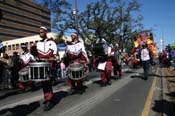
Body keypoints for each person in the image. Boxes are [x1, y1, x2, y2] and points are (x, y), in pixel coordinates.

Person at [32, 26, 59, 111]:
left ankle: (49, 100)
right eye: (39, 32)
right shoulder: (38, 43)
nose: (40, 33)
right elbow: (35, 55)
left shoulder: (52, 42)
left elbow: (56, 55)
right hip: (41, 66)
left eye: (42, 32)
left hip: (49, 65)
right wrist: (32, 48)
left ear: (46, 32)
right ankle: (50, 98)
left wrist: (52, 59)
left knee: (47, 83)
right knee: (45, 84)